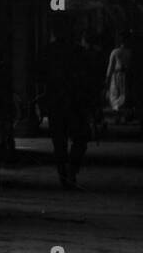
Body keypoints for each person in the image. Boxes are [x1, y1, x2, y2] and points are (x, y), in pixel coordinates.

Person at [39, 18, 99, 189]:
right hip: (76, 102)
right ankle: (72, 169)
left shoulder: (47, 51)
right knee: (80, 137)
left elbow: (38, 75)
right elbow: (90, 78)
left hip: (56, 101)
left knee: (59, 140)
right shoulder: (79, 52)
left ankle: (63, 174)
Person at [105, 34, 132, 122]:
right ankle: (121, 115)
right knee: (122, 94)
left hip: (118, 75)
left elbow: (110, 67)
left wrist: (108, 77)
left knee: (117, 94)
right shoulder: (128, 52)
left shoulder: (115, 52)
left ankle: (119, 115)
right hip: (124, 75)